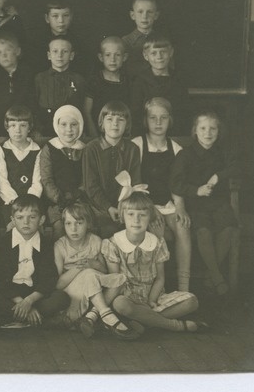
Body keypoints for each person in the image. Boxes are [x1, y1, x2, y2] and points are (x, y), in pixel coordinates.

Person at [103, 191, 206, 333]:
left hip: (154, 297)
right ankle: (175, 325)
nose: (136, 220)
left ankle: (144, 321)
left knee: (192, 301)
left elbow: (160, 278)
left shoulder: (156, 242)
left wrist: (151, 301)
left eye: (142, 215)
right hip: (128, 297)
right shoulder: (114, 243)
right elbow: (116, 282)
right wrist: (135, 301)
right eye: (131, 214)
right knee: (120, 304)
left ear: (150, 217)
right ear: (122, 216)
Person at [171, 110, 240, 296]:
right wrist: (196, 190)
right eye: (203, 128)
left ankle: (212, 275)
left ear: (219, 131)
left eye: (212, 128)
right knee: (204, 232)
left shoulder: (223, 152)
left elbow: (236, 166)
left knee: (229, 228)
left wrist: (218, 176)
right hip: (196, 204)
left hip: (219, 203)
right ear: (195, 131)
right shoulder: (185, 155)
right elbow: (176, 184)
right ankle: (217, 278)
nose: (207, 133)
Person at [132, 97, 192, 292]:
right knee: (156, 232)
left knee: (182, 227)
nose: (158, 123)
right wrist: (150, 210)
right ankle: (158, 287)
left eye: (163, 118)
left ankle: (184, 288)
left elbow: (177, 182)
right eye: (153, 118)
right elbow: (134, 184)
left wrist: (180, 207)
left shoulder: (176, 148)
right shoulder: (137, 145)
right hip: (144, 205)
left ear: (170, 120)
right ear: (145, 120)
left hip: (168, 204)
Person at [53, 202, 138, 340]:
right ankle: (106, 316)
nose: (74, 229)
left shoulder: (95, 241)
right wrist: (80, 267)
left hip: (94, 288)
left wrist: (94, 264)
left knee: (121, 278)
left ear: (88, 223)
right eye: (69, 224)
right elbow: (58, 284)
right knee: (88, 274)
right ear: (64, 225)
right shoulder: (60, 246)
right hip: (72, 292)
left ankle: (91, 316)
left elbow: (104, 273)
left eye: (79, 223)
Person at [0, 195, 70, 330]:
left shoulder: (46, 244)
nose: (26, 222)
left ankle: (10, 320)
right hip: (10, 295)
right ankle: (34, 319)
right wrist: (23, 305)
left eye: (32, 217)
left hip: (34, 295)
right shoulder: (3, 243)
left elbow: (48, 278)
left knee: (61, 297)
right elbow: (1, 279)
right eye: (20, 218)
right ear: (13, 220)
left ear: (41, 220)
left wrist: (29, 302)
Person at [82, 101, 141, 238]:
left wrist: (124, 206)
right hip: (98, 206)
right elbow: (91, 187)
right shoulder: (92, 148)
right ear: (102, 123)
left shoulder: (132, 149)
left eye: (121, 120)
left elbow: (136, 183)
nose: (115, 124)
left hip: (125, 205)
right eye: (109, 119)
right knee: (107, 230)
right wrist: (108, 207)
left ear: (127, 124)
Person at [0, 105, 42, 246]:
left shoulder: (37, 150)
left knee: (34, 227)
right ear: (7, 127)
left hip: (32, 202)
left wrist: (29, 201)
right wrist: (14, 201)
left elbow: (38, 181)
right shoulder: (2, 149)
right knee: (10, 229)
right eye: (13, 125)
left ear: (29, 127)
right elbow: (2, 180)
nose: (17, 130)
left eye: (22, 125)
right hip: (9, 202)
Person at [39, 106, 88, 240]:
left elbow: (87, 177)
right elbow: (46, 179)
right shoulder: (49, 148)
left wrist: (77, 195)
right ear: (56, 125)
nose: (69, 129)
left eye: (74, 125)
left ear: (80, 126)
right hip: (56, 202)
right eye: (64, 124)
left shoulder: (84, 150)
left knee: (81, 223)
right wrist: (58, 198)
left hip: (78, 199)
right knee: (60, 228)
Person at [130, 36, 191, 136]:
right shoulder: (140, 81)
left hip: (175, 135)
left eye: (163, 52)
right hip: (147, 136)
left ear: (171, 52)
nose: (159, 57)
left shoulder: (178, 80)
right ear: (146, 56)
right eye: (154, 53)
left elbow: (184, 112)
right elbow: (136, 114)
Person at [0, 30, 35, 136]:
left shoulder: (27, 74)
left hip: (22, 127)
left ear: (18, 51)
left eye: (8, 50)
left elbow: (32, 102)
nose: (4, 55)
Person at [33, 36, 86, 136]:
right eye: (55, 51)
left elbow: (82, 107)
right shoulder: (40, 79)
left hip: (70, 131)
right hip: (45, 130)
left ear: (72, 55)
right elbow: (34, 106)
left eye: (65, 51)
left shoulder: (78, 80)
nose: (60, 55)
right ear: (49, 55)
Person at [83, 36, 131, 138]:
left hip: (122, 135)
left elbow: (130, 112)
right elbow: (87, 112)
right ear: (101, 57)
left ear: (125, 57)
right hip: (98, 135)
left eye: (117, 55)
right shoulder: (94, 81)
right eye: (108, 55)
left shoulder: (128, 81)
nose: (112, 59)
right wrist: (94, 137)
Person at [31, 0, 88, 76]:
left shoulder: (78, 42)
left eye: (65, 15)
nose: (61, 20)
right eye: (55, 16)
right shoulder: (39, 43)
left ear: (71, 17)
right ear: (47, 18)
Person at [122, 0, 161, 78]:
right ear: (132, 15)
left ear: (156, 15)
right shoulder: (125, 42)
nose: (144, 16)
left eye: (149, 12)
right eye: (140, 12)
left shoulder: (162, 40)